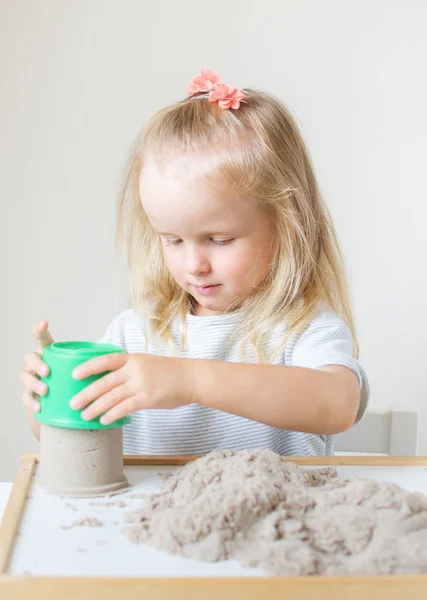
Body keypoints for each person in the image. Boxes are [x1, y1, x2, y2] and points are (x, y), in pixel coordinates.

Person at [20, 69, 369, 456]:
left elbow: (337, 405)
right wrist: (50, 399)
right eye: (172, 240)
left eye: (219, 240)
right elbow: (75, 443)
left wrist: (189, 380)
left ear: (286, 224)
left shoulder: (303, 330)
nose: (194, 264)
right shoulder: (134, 334)